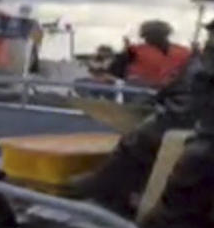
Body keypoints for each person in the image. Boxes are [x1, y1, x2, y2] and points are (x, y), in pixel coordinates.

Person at [75, 19, 211, 216]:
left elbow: (115, 72)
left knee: (140, 137)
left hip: (154, 100)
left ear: (146, 35)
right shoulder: (185, 53)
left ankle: (106, 188)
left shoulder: (136, 51)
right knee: (143, 133)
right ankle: (122, 188)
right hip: (164, 99)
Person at [106, 19, 191, 88]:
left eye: (148, 35)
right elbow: (114, 72)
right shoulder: (133, 51)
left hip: (172, 94)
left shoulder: (184, 53)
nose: (146, 39)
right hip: (140, 91)